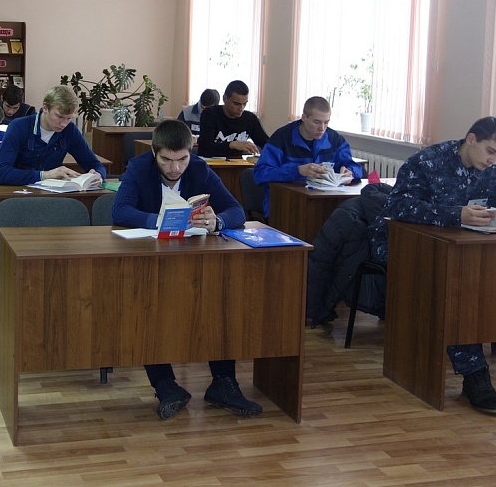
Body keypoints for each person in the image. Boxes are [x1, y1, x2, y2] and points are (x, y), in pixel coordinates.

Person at [366, 116, 496, 414]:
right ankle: (474, 376)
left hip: (462, 247)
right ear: (471, 140)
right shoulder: (425, 162)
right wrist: (456, 214)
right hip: (406, 247)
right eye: (490, 151)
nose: (493, 161)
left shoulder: (490, 167)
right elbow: (398, 207)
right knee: (460, 288)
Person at [111, 119, 262, 420]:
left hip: (194, 260)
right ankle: (165, 386)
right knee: (148, 308)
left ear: (190, 152)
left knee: (218, 304)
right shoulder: (139, 168)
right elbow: (120, 211)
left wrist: (217, 222)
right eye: (166, 160)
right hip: (149, 260)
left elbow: (236, 210)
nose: (175, 168)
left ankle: (224, 383)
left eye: (182, 159)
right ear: (154, 153)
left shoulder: (199, 168)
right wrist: (159, 220)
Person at [253, 96, 363, 219]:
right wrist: (297, 171)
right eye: (316, 122)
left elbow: (356, 167)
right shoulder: (282, 138)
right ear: (304, 117)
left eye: (326, 122)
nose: (322, 128)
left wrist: (350, 172)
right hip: (286, 205)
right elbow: (260, 174)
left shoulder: (334, 139)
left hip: (325, 204)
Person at [0, 85, 107, 185]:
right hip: (19, 194)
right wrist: (45, 175)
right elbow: (0, 173)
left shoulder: (70, 130)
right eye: (59, 116)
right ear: (45, 107)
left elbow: (95, 164)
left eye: (69, 118)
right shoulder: (19, 127)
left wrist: (98, 175)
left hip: (52, 194)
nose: (64, 124)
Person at [197, 80, 269, 158]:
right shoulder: (210, 114)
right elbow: (204, 149)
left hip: (239, 163)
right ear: (225, 99)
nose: (241, 108)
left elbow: (267, 144)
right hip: (212, 163)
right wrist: (232, 145)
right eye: (236, 104)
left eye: (244, 104)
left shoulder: (250, 119)